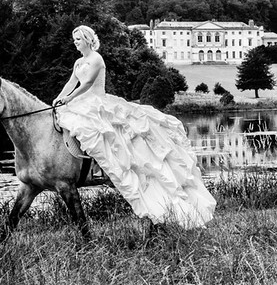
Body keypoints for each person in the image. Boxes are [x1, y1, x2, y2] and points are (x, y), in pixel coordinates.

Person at [54, 25, 215, 228]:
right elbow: (71, 83)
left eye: (78, 38)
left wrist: (69, 98)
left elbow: (86, 85)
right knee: (69, 123)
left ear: (87, 39)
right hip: (81, 101)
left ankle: (98, 167)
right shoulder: (79, 62)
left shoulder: (96, 59)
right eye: (74, 38)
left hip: (97, 102)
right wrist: (59, 99)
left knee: (97, 131)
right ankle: (82, 165)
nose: (75, 42)